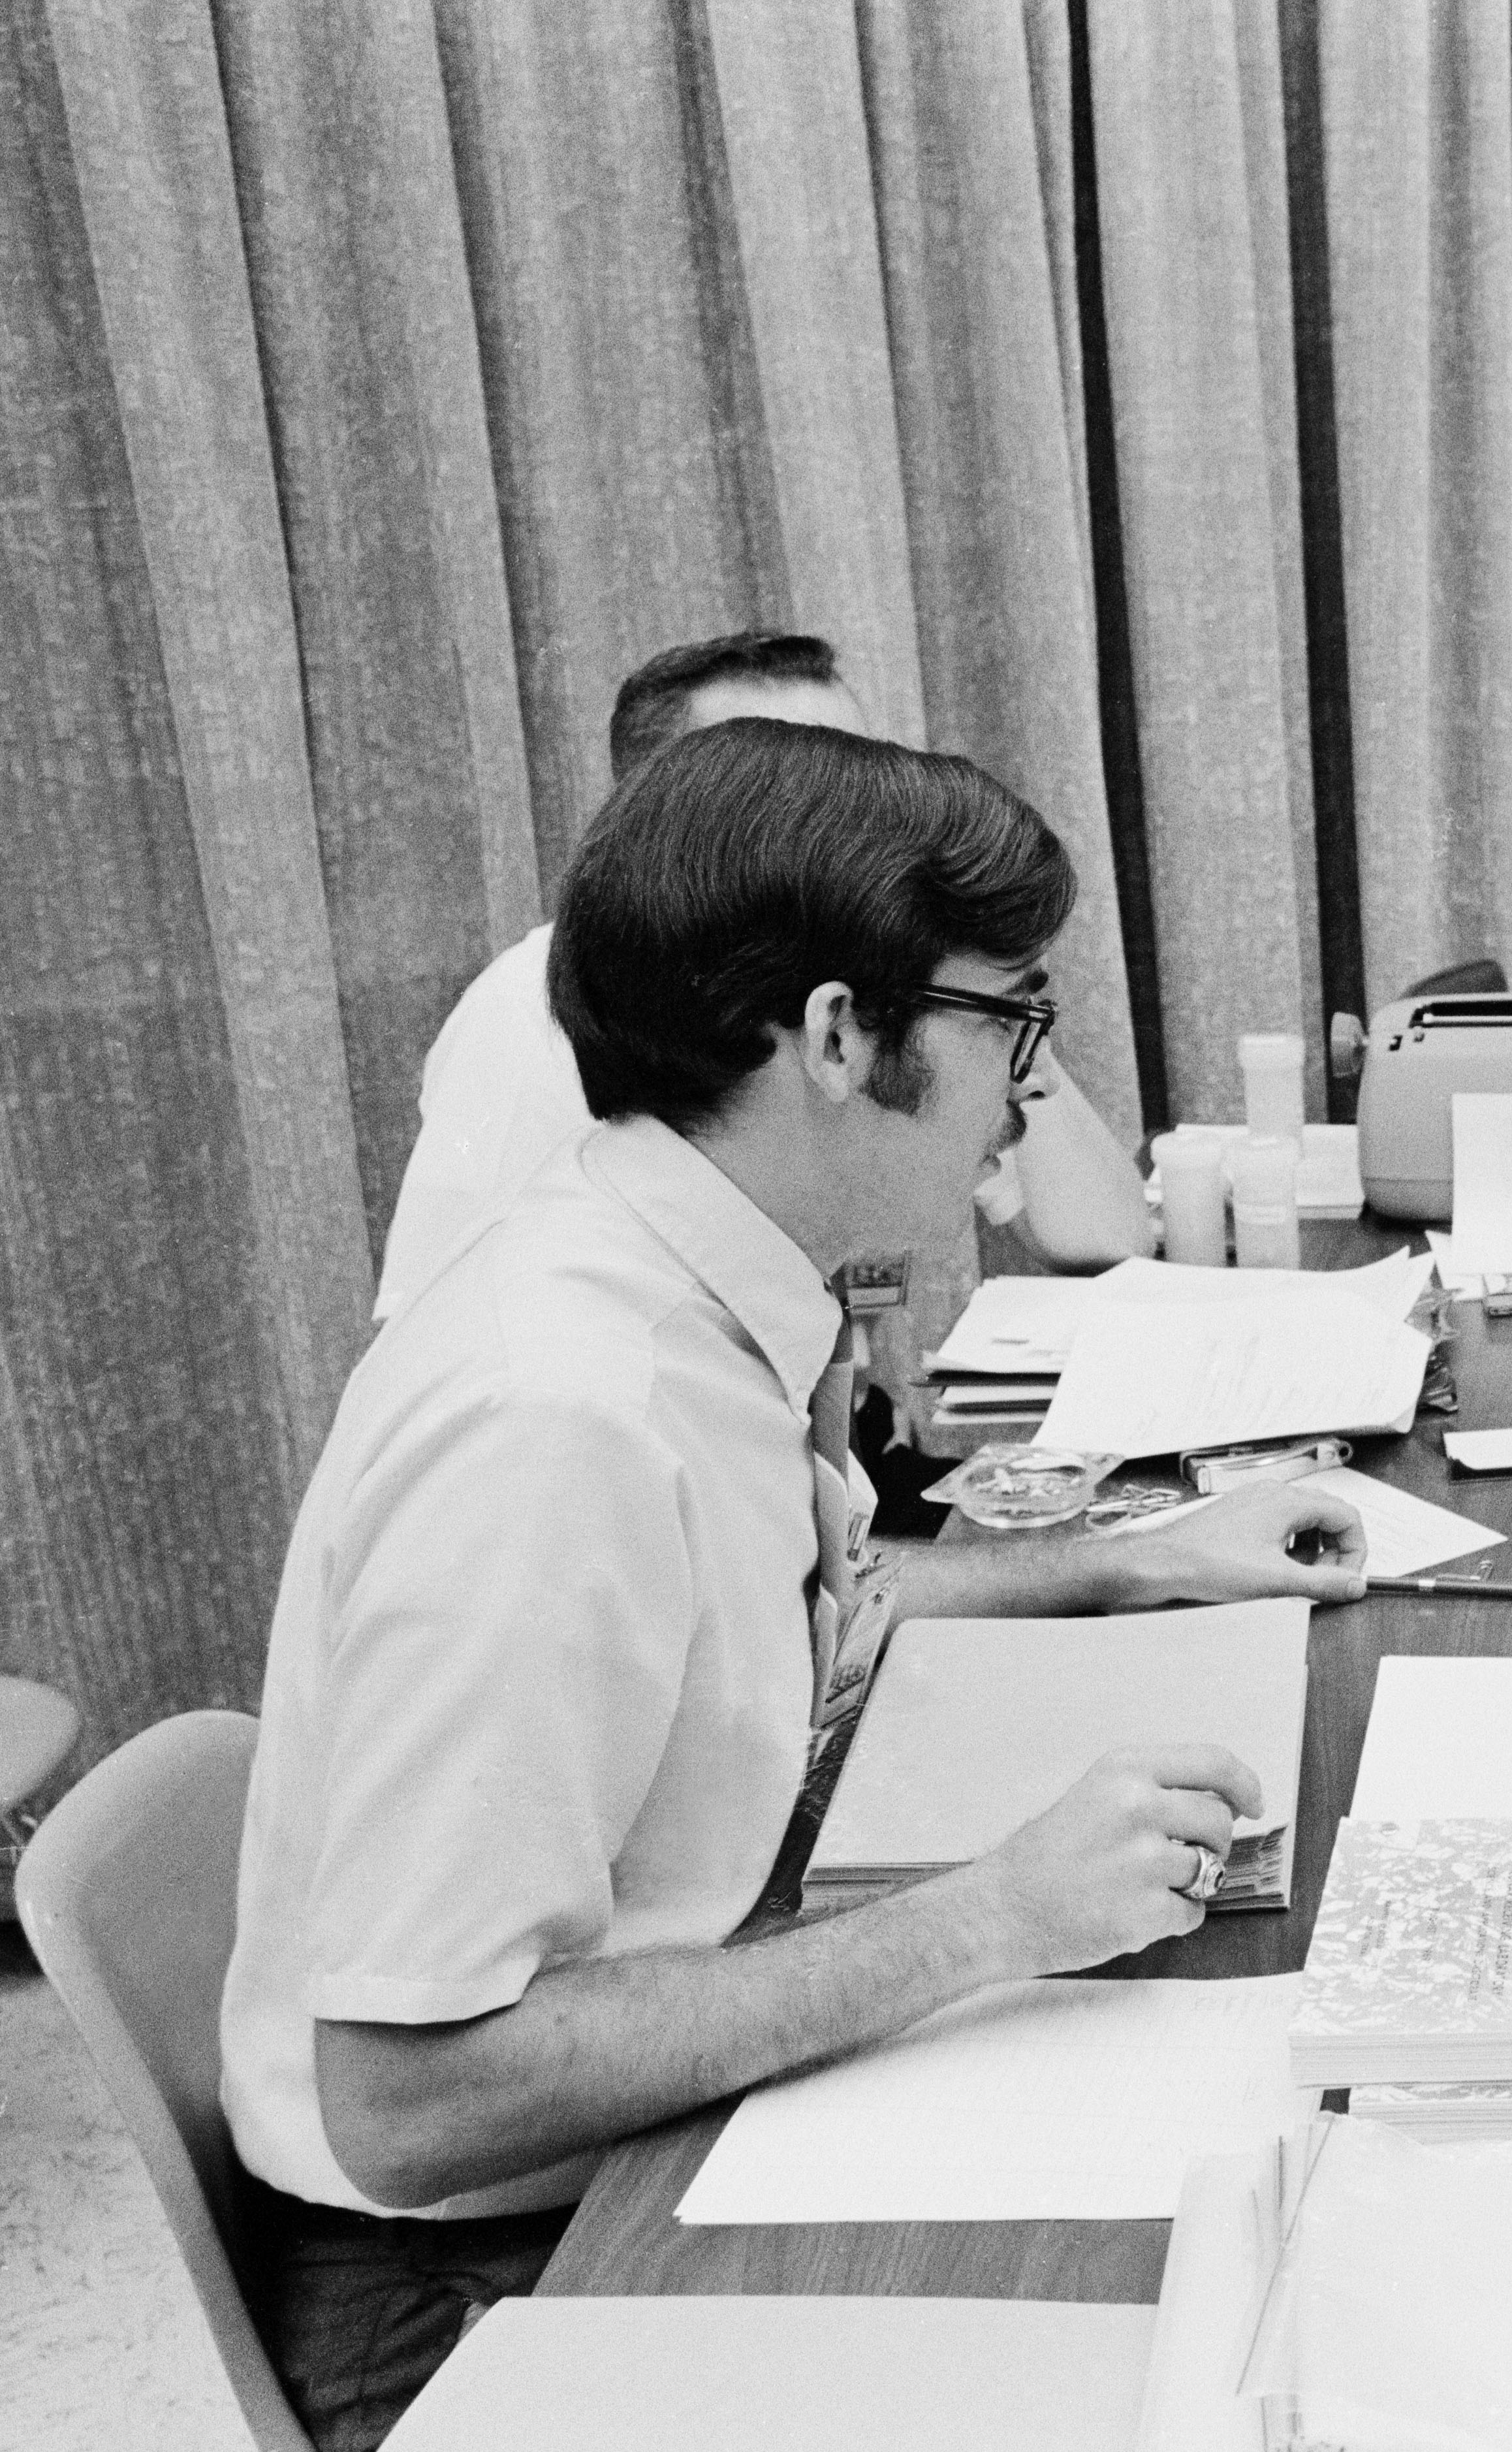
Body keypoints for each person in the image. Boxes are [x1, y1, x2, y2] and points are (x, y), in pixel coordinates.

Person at [222, 720, 1368, 2451]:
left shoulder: (678, 1292)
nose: (1024, 1093)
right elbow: (408, 2094)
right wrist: (987, 1915)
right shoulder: (560, 1414)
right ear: (840, 1033)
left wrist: (1129, 1566)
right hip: (473, 2288)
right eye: (1013, 1026)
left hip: (611, 2141)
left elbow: (758, 1630)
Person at [371, 631, 1150, 1321]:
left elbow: (1106, 1232)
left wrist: (996, 1015)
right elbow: (453, 1312)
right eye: (796, 792)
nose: (855, 824)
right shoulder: (531, 1008)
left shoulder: (896, 987)